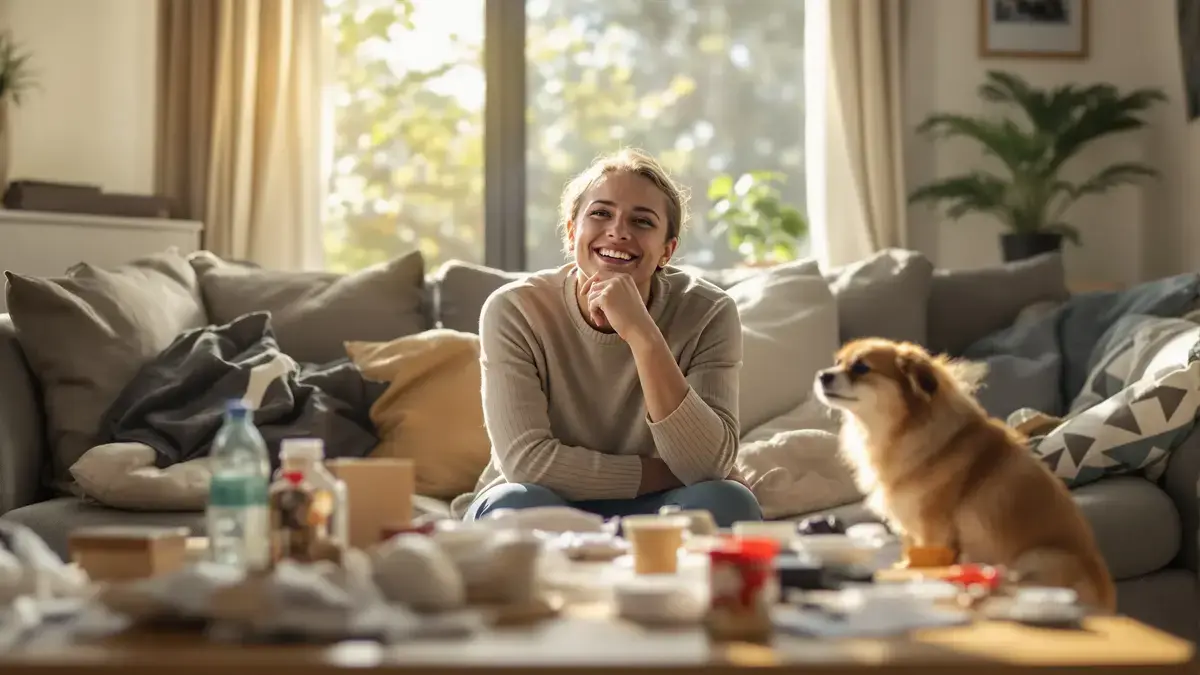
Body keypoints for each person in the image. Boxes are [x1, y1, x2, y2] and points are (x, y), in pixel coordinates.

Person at [451, 148, 763, 527]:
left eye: (643, 221)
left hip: (656, 509)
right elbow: (528, 464)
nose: (618, 231)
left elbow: (706, 465)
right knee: (513, 506)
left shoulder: (710, 312)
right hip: (543, 503)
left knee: (730, 503)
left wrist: (643, 335)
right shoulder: (514, 309)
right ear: (571, 230)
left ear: (668, 250)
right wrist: (665, 472)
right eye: (600, 213)